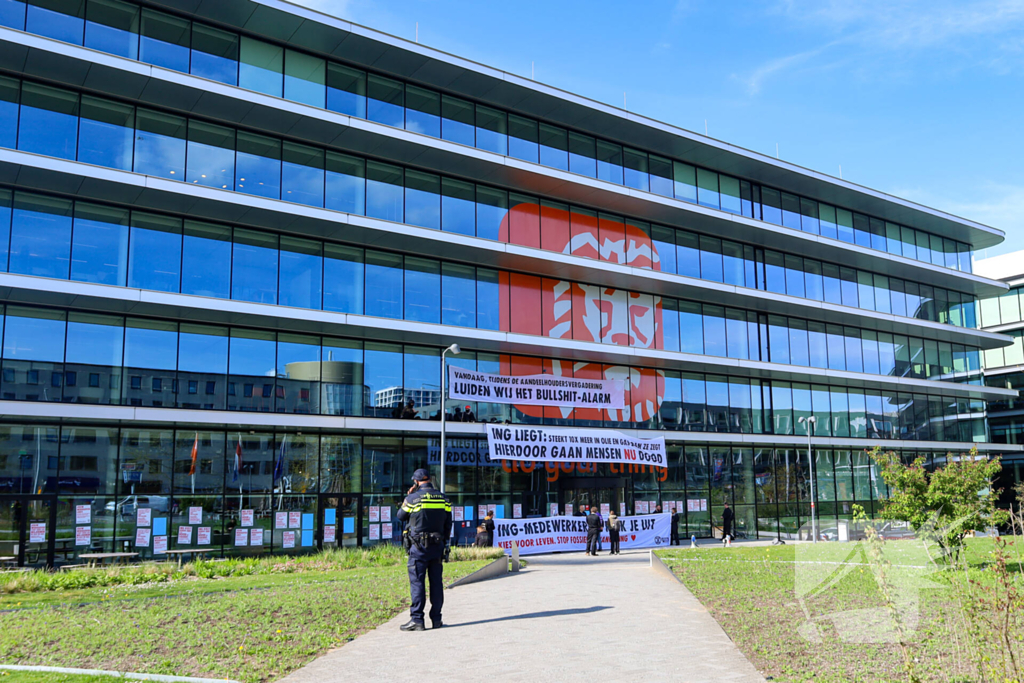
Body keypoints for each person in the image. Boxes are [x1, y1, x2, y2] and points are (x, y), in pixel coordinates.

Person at [397, 469, 452, 631]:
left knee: (417, 583)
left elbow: (400, 516)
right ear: (430, 480)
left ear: (416, 482)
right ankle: (436, 619)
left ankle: (417, 620)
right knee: (436, 583)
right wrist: (445, 543)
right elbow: (448, 523)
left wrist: (407, 497)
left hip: (418, 547)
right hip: (437, 546)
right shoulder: (443, 498)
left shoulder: (413, 499)